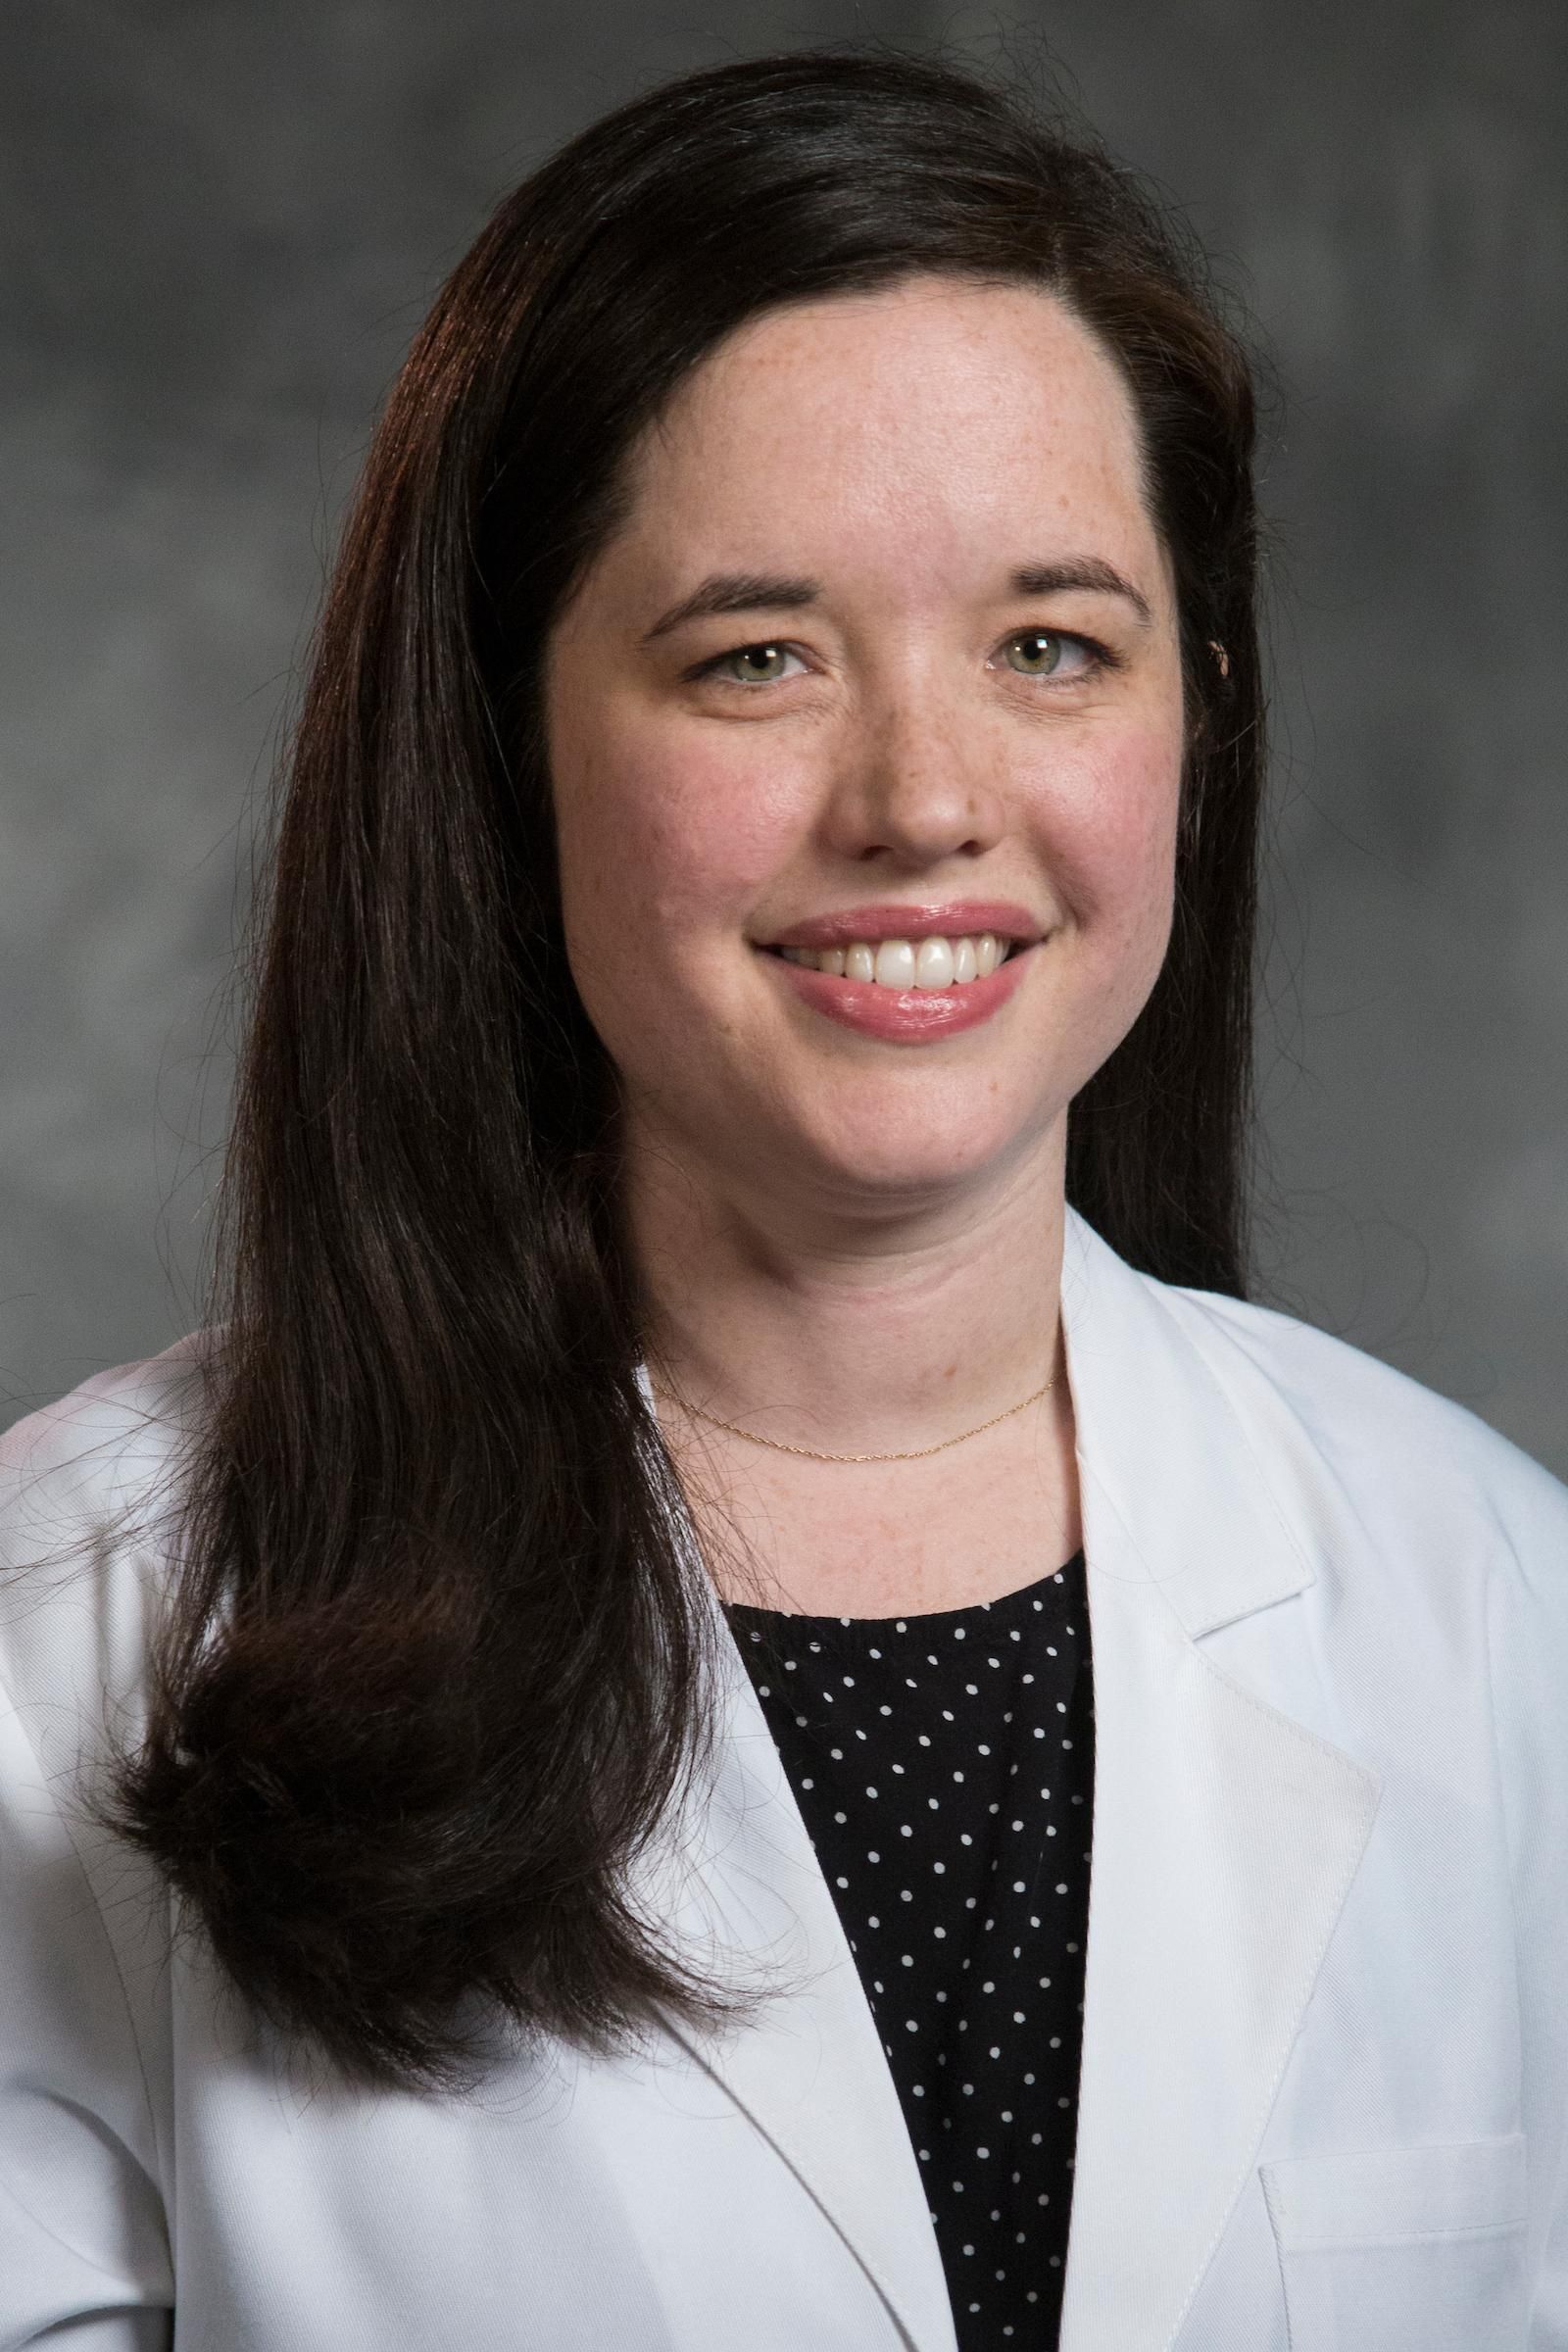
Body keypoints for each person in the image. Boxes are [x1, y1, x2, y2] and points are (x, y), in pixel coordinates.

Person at [1, 42, 1563, 2352]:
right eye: (755, 656)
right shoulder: (63, 1642)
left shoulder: (1500, 1618)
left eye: (1049, 646)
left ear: (1196, 719)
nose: (920, 799)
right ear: (506, 743)